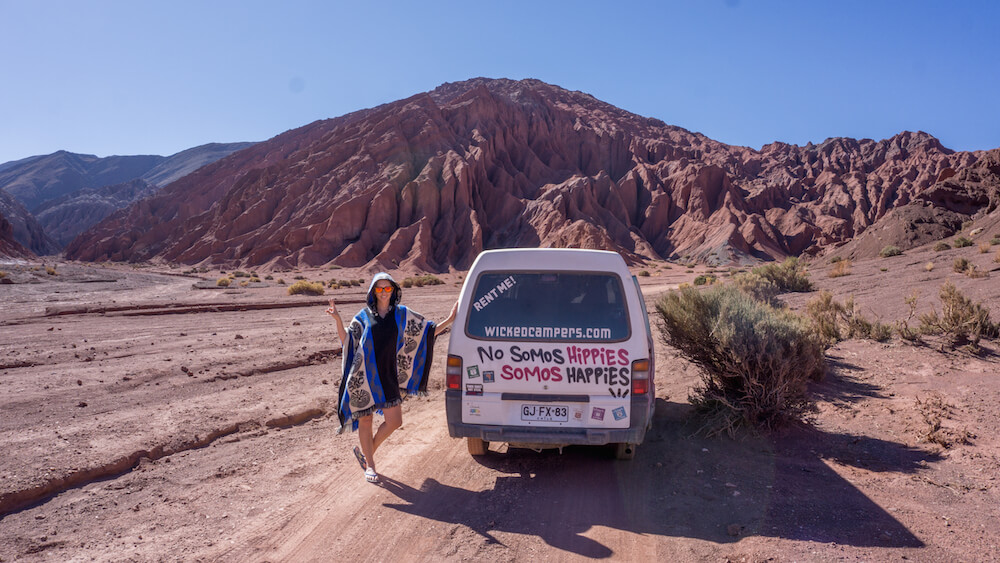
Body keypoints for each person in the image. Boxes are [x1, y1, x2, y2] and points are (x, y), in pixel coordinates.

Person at [326, 273, 457, 484]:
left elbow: (426, 332)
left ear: (394, 290)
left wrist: (450, 319)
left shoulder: (402, 314)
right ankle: (371, 465)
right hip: (364, 376)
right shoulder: (364, 316)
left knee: (395, 422)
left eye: (388, 288)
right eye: (379, 288)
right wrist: (338, 320)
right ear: (373, 292)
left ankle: (368, 451)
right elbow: (347, 340)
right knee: (366, 420)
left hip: (389, 375)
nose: (384, 292)